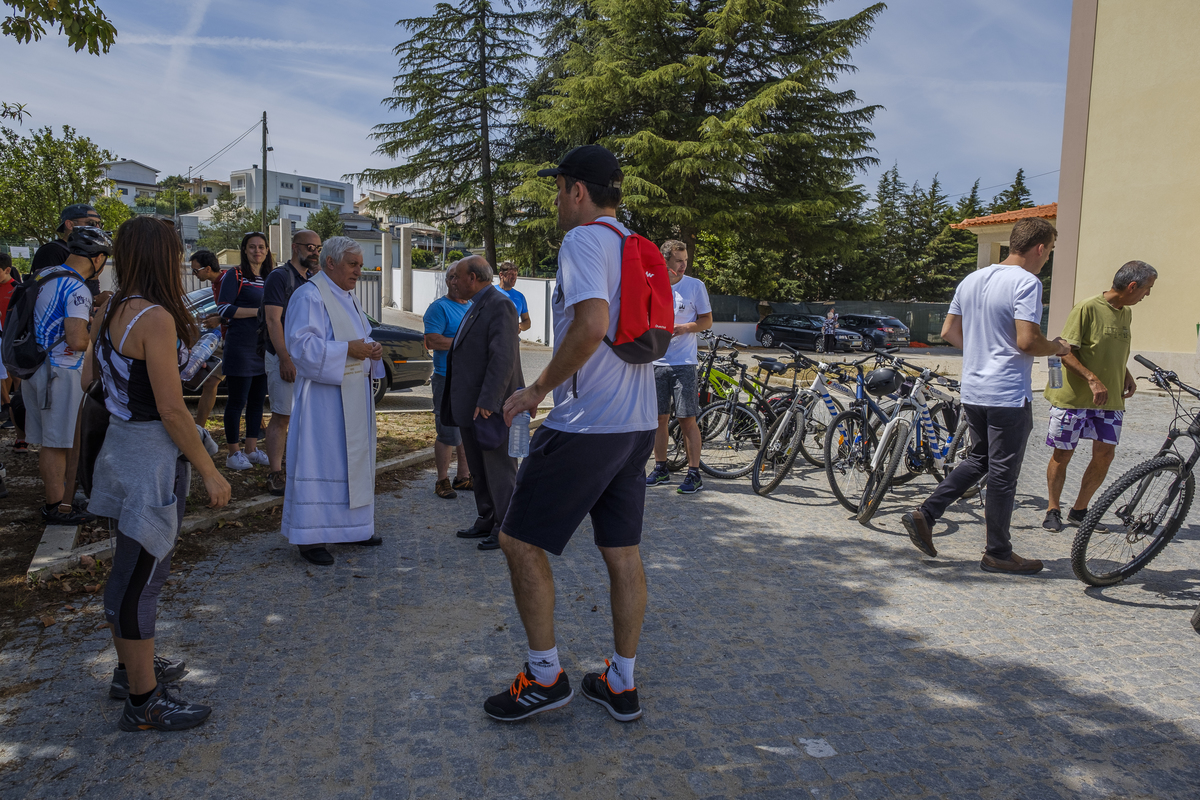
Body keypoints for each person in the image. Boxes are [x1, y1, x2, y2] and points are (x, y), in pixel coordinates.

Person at [489, 145, 656, 723]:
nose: (556, 200)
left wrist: (535, 391)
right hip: (636, 423)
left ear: (577, 191)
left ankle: (544, 676)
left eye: (557, 188)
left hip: (588, 423)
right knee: (622, 552)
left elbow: (590, 328)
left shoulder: (583, 241)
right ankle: (621, 681)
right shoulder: (632, 243)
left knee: (517, 539)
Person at [85, 215, 231, 732]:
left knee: (127, 571)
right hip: (150, 456)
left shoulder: (112, 308)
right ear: (161, 257)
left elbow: (89, 378)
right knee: (142, 580)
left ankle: (130, 672)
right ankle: (144, 701)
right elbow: (173, 410)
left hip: (119, 450)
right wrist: (211, 470)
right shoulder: (157, 318)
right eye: (175, 253)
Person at [901, 217, 1070, 575]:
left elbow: (948, 331)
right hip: (1007, 393)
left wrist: (983, 349)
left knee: (980, 459)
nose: (1048, 257)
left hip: (975, 390)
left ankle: (926, 514)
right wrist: (1056, 347)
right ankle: (998, 552)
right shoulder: (1027, 282)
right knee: (1002, 474)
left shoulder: (973, 278)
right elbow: (1027, 341)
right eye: (1050, 250)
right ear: (1040, 248)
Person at [280, 237, 384, 566]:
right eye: (353, 264)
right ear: (330, 264)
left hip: (352, 396)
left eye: (360, 263)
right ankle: (311, 537)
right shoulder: (309, 296)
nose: (359, 270)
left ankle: (353, 528)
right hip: (323, 404)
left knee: (351, 463)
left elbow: (360, 337)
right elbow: (300, 347)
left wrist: (372, 350)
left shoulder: (348, 297)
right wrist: (349, 351)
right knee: (322, 461)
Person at [1042, 260, 1158, 531]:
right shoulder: (1087, 307)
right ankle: (1052, 509)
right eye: (1147, 289)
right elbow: (1065, 352)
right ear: (1132, 286)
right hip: (1074, 399)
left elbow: (1107, 349)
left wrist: (1125, 372)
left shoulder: (1126, 313)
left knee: (1105, 455)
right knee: (1063, 453)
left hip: (1110, 401)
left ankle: (1080, 512)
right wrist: (1093, 379)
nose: (1148, 295)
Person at [22, 226, 111, 525]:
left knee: (52, 442)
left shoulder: (44, 276)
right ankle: (58, 506)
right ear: (97, 259)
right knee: (58, 443)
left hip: (35, 368)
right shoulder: (77, 289)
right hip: (61, 372)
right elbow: (76, 340)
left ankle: (60, 497)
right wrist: (96, 323)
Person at [441, 256, 522, 551]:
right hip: (471, 405)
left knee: (499, 468)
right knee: (479, 467)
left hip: (490, 405)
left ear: (473, 278)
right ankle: (487, 518)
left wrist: (490, 400)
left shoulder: (499, 304)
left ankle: (506, 528)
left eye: (455, 276)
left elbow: (503, 356)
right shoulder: (477, 303)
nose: (452, 282)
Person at [646, 239, 712, 494]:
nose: (684, 265)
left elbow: (706, 321)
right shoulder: (653, 284)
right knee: (659, 419)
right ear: (665, 261)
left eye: (686, 260)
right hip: (657, 362)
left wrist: (684, 328)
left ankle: (693, 474)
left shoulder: (695, 286)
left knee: (687, 419)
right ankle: (661, 468)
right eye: (678, 261)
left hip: (684, 363)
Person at [261, 228, 322, 496]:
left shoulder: (312, 279)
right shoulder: (279, 277)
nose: (315, 252)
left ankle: (299, 469)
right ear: (295, 247)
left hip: (306, 359)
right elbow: (273, 320)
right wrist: (284, 358)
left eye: (319, 248)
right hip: (282, 358)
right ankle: (275, 473)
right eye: (310, 247)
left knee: (305, 417)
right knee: (282, 416)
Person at [217, 232, 271, 470]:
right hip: (240, 347)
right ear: (244, 249)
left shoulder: (271, 277)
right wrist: (258, 312)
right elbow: (223, 308)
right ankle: (233, 453)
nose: (257, 251)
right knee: (237, 401)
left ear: (267, 251)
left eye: (261, 247)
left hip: (263, 348)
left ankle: (251, 449)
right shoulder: (235, 274)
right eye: (252, 247)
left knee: (258, 401)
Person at [422, 263, 473, 500]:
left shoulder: (472, 306)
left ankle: (463, 477)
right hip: (445, 377)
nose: (454, 281)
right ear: (446, 281)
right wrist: (465, 345)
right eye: (450, 277)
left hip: (468, 378)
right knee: (447, 431)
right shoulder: (439, 308)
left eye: (458, 277)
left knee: (465, 429)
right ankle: (441, 480)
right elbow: (432, 341)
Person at [188, 250, 226, 428]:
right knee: (210, 382)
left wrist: (220, 320)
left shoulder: (227, 281)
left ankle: (199, 428)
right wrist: (215, 315)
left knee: (211, 382)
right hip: (222, 338)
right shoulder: (215, 284)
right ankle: (199, 428)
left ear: (208, 269)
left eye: (196, 271)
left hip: (232, 340)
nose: (194, 274)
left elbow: (240, 310)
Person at [30, 203, 103, 273]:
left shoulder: (86, 252)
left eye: (99, 224)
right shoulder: (50, 252)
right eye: (91, 223)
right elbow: (49, 284)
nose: (97, 228)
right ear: (70, 225)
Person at [496, 261, 531, 333]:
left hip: (511, 341)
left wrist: (519, 326)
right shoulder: (490, 292)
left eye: (515, 274)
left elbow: (527, 321)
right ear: (501, 275)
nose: (514, 277)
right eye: (511, 274)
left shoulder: (520, 296)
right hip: (492, 340)